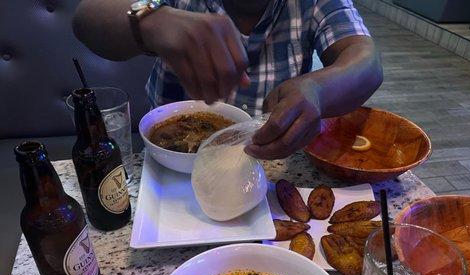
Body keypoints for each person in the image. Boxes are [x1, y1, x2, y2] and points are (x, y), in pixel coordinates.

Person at [73, 0, 383, 160]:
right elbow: (86, 19)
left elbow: (366, 60)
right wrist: (150, 20)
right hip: (169, 169)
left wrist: (317, 89)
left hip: (267, 167)